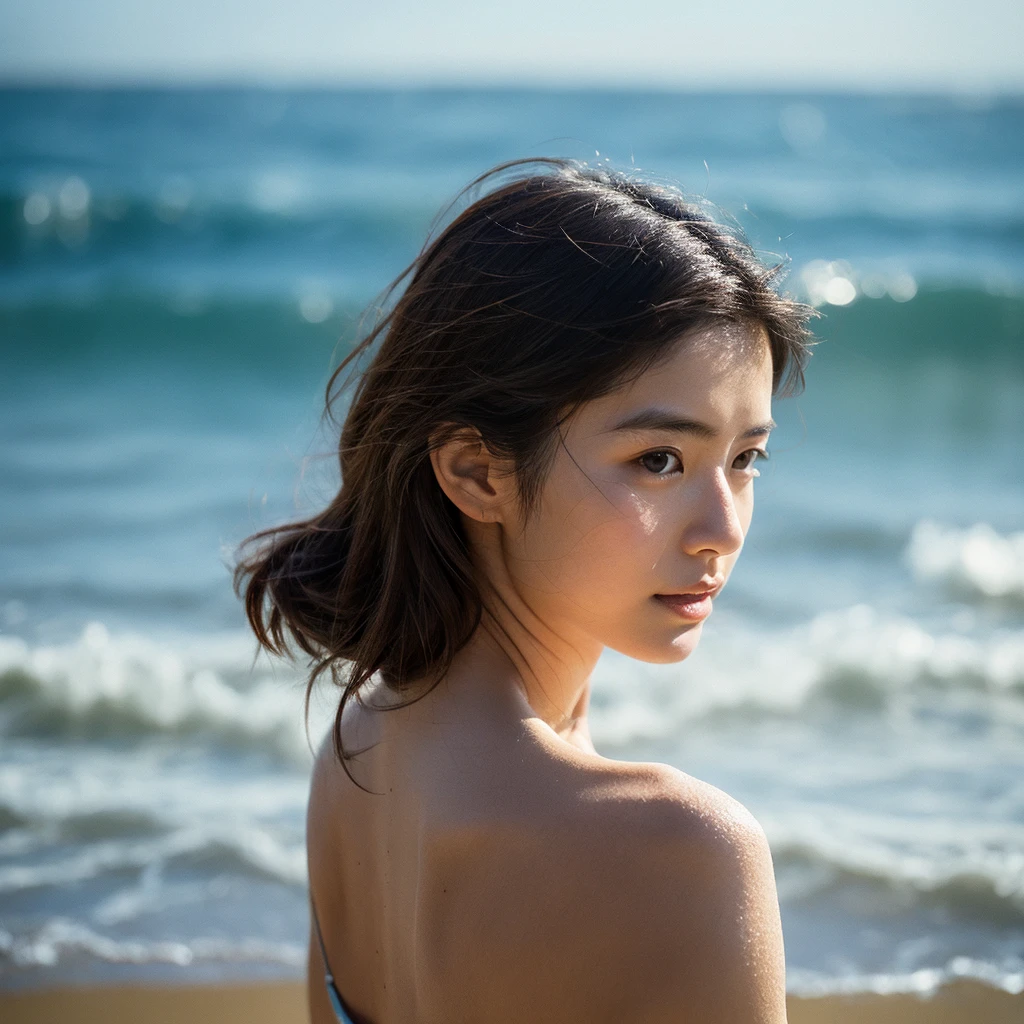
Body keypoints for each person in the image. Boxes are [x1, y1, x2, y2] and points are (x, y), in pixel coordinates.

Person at [235, 157, 815, 1024]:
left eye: (746, 459)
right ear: (477, 472)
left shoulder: (356, 761)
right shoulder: (686, 855)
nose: (723, 528)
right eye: (659, 460)